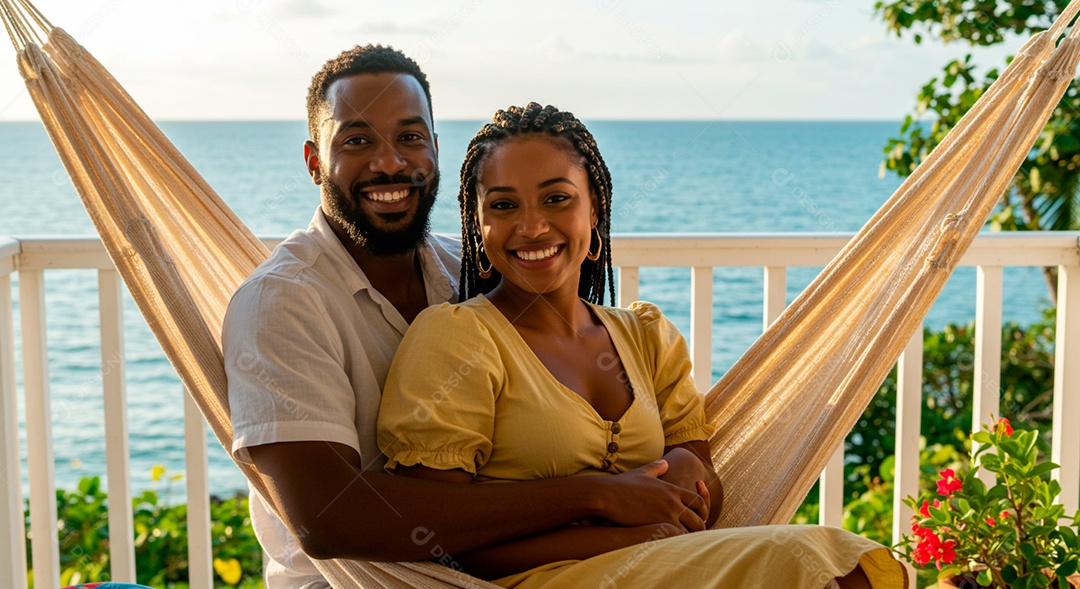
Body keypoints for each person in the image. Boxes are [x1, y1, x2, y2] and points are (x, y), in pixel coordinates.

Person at [223, 46, 716, 589]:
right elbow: (328, 518)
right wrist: (599, 495)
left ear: (435, 149)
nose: (389, 163)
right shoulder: (282, 302)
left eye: (410, 137)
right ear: (315, 161)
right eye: (357, 141)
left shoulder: (471, 267)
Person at [377, 103, 909, 588]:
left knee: (849, 566)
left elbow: (707, 492)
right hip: (540, 581)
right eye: (504, 205)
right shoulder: (459, 336)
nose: (532, 225)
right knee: (820, 561)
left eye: (557, 198)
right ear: (478, 225)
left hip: (663, 568)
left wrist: (686, 470)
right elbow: (438, 533)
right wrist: (617, 522)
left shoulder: (645, 336)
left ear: (595, 213)